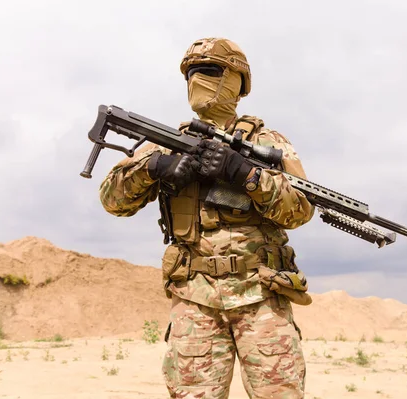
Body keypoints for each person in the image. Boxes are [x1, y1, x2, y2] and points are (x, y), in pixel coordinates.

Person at [99, 37, 315, 399]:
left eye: (212, 72)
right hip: (194, 299)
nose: (200, 80)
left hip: (261, 295)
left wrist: (246, 173)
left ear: (237, 82)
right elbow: (112, 200)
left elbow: (300, 210)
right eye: (193, 73)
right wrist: (155, 167)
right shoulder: (167, 142)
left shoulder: (269, 144)